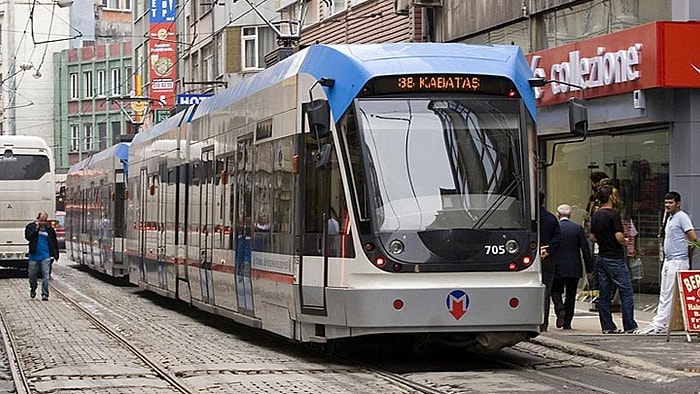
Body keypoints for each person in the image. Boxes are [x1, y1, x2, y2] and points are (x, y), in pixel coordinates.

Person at [635, 191, 697, 335]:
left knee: (668, 293)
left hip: (677, 261)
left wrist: (687, 256)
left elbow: (693, 238)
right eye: (666, 203)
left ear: (678, 203)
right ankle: (664, 321)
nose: (668, 205)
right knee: (665, 292)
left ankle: (660, 324)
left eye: (671, 203)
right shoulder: (669, 218)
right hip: (669, 260)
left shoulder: (682, 217)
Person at [589, 185, 638, 334]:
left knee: (604, 293)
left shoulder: (596, 215)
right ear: (611, 197)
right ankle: (629, 325)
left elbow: (592, 236)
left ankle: (607, 326)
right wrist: (625, 241)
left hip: (602, 257)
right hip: (615, 258)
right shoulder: (613, 215)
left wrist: (603, 241)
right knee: (626, 291)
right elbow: (618, 236)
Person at [551, 204, 594, 330]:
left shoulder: (555, 228)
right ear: (570, 215)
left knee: (555, 291)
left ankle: (559, 308)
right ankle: (567, 323)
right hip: (573, 267)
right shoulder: (577, 228)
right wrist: (589, 269)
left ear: (557, 214)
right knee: (571, 295)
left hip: (557, 266)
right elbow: (585, 250)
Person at [539, 190, 561, 332]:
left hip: (528, 257)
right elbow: (558, 238)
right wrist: (548, 251)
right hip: (548, 259)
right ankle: (543, 323)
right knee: (545, 291)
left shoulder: (528, 218)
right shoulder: (551, 218)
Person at [25, 211, 60, 301]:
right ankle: (33, 288)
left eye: (45, 221)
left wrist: (56, 254)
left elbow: (54, 241)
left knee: (46, 276)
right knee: (32, 275)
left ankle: (45, 294)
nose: (43, 223)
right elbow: (28, 237)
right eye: (41, 220)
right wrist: (36, 229)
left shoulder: (49, 229)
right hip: (34, 255)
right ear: (37, 219)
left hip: (46, 255)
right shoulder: (31, 227)